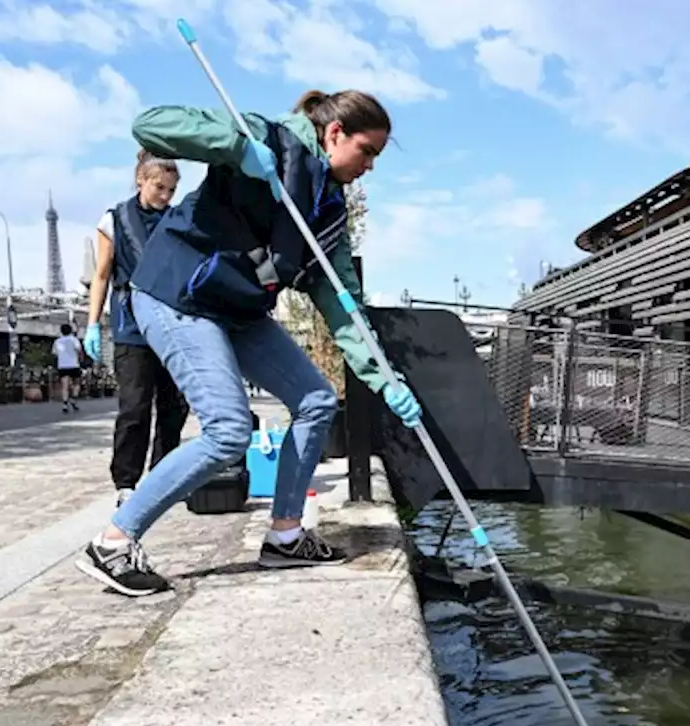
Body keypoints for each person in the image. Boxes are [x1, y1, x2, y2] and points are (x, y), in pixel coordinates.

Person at [75, 89, 422, 597]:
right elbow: (152, 124)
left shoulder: (327, 211)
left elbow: (343, 302)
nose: (370, 166)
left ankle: (285, 535)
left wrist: (384, 377)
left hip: (236, 309)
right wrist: (236, 149)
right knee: (228, 430)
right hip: (176, 295)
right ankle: (112, 541)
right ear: (334, 134)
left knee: (316, 401)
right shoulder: (265, 138)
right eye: (367, 151)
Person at [83, 149, 191, 507]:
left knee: (174, 405)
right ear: (140, 181)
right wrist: (93, 324)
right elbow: (101, 275)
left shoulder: (177, 219)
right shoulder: (114, 220)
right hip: (132, 327)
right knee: (135, 407)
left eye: (171, 190)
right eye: (159, 187)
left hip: (171, 323)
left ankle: (161, 475)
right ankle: (126, 482)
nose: (165, 196)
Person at [51, 324, 84, 413]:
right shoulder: (74, 340)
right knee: (77, 383)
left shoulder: (57, 341)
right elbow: (79, 351)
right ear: (70, 331)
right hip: (74, 364)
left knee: (65, 386)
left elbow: (55, 354)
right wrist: (81, 360)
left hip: (62, 365)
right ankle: (74, 398)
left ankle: (65, 404)